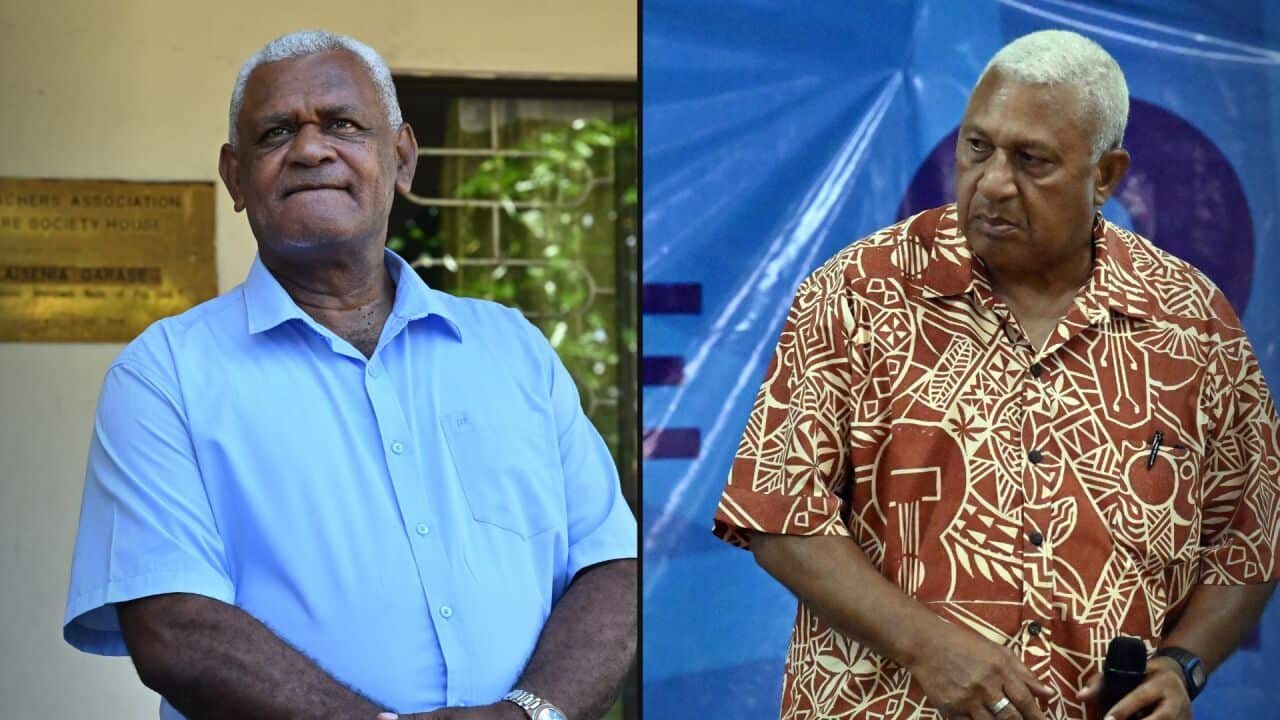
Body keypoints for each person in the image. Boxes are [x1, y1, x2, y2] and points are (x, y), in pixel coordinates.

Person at [63, 30, 637, 720]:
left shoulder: (510, 348)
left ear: (400, 158)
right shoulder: (165, 374)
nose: (310, 149)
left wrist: (527, 715)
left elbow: (613, 569)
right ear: (236, 178)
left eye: (342, 124)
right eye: (276, 133)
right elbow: (172, 627)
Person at [712, 29, 1278, 720]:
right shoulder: (858, 294)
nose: (994, 183)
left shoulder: (1192, 321)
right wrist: (926, 646)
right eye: (977, 147)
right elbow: (780, 513)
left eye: (1032, 160)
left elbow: (1249, 535)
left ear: (1105, 176)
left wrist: (1184, 664)